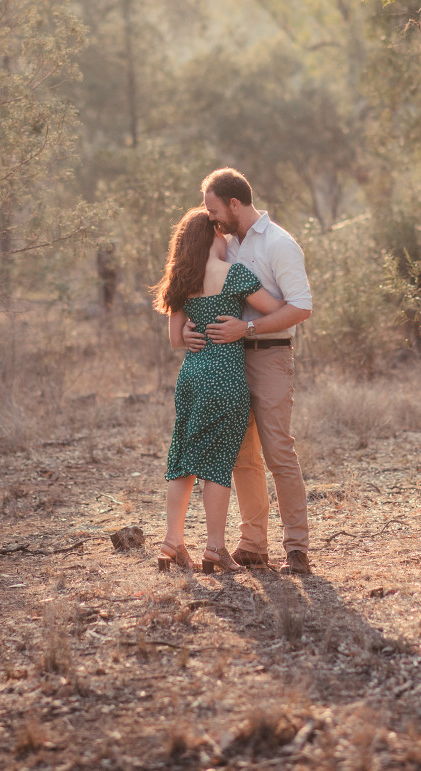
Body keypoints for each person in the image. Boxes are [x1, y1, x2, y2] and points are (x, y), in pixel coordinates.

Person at [185, 168, 314, 575]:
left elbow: (301, 306)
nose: (210, 217)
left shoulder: (279, 243)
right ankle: (253, 545)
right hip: (229, 360)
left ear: (234, 204)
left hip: (270, 356)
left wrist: (249, 328)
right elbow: (206, 293)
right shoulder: (225, 246)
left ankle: (297, 549)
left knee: (278, 452)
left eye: (213, 209)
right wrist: (188, 329)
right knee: (242, 455)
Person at [151, 207, 293, 573]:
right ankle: (214, 547)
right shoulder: (234, 274)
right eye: (221, 232)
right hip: (225, 378)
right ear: (214, 234)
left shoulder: (181, 279)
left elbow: (175, 339)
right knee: (217, 463)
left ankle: (171, 542)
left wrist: (191, 330)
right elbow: (276, 309)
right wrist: (245, 320)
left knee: (182, 458)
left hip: (191, 376)